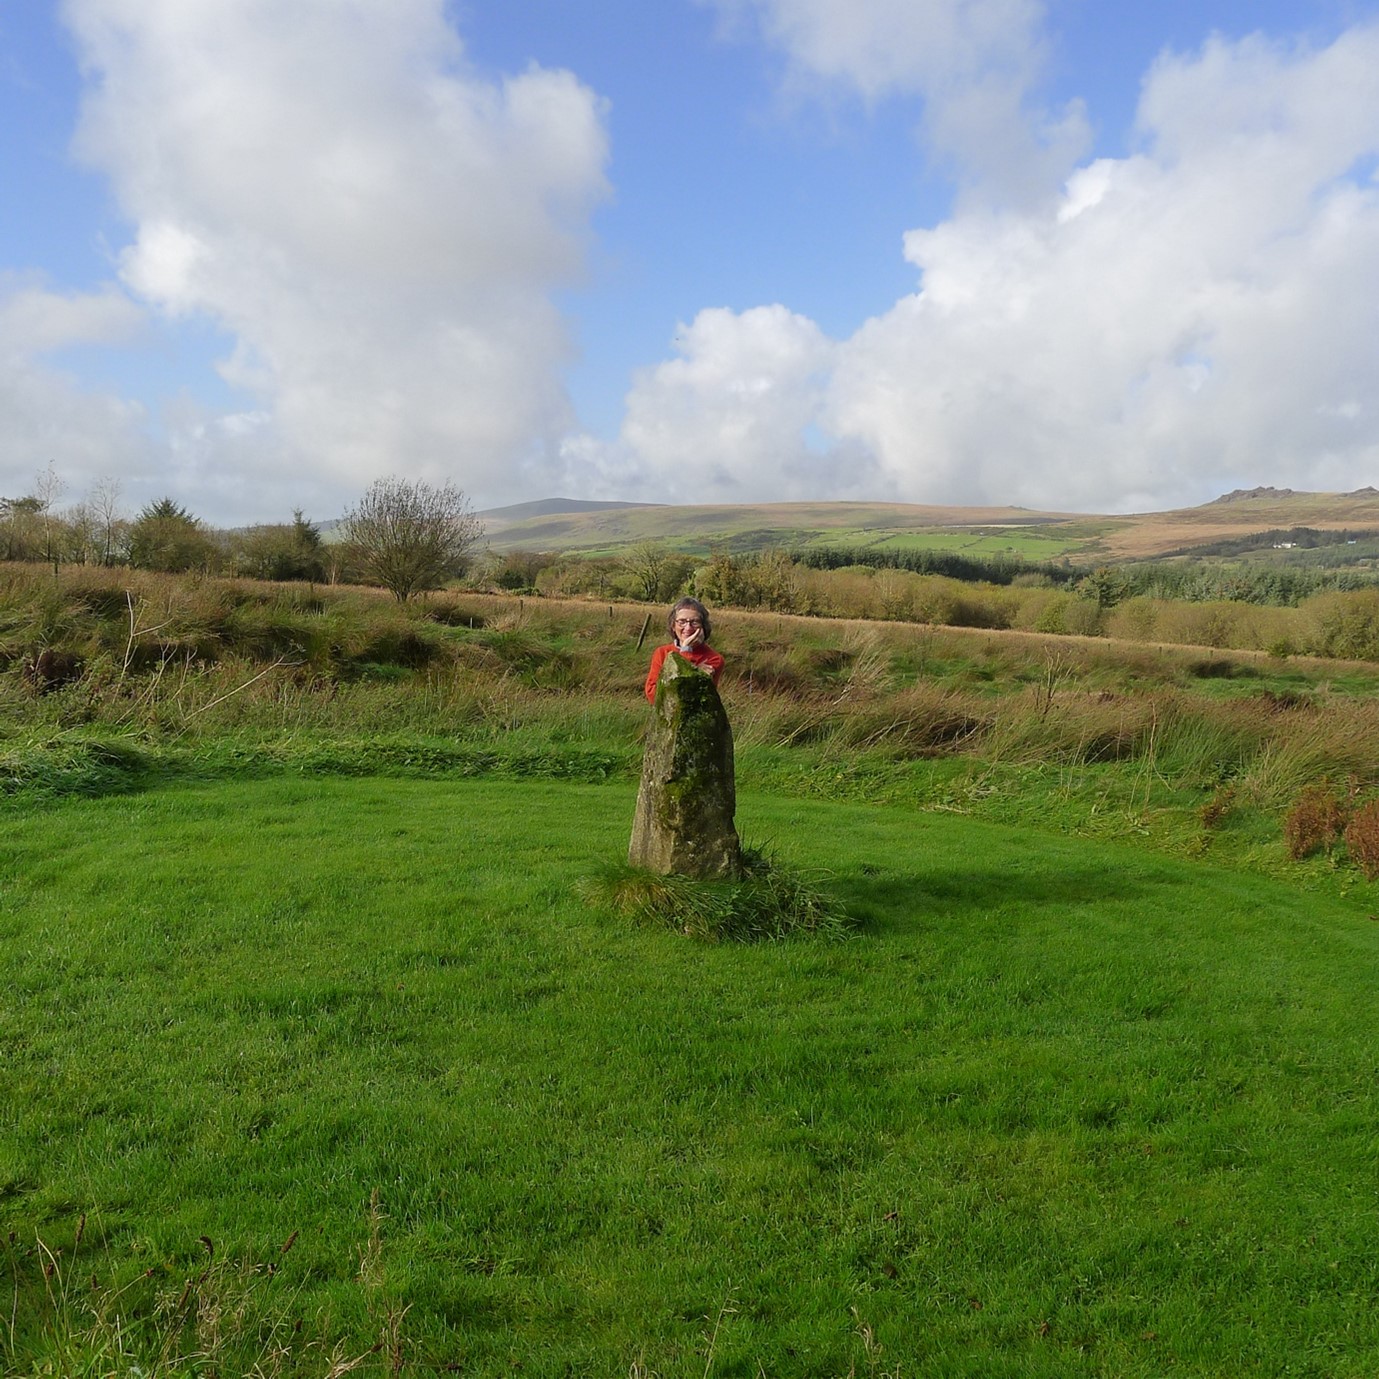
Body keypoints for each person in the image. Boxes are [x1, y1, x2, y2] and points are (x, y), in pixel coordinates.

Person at [644, 596, 724, 703]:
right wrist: (694, 670)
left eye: (694, 622)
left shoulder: (714, 659)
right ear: (673, 625)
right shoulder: (662, 653)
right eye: (682, 622)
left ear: (703, 626)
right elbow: (652, 694)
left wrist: (686, 651)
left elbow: (692, 698)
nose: (688, 628)